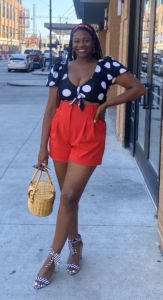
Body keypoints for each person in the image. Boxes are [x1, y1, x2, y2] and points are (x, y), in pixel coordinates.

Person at [34, 23, 145, 289]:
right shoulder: (59, 69)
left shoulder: (108, 67)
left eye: (85, 41)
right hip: (59, 135)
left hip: (89, 135)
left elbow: (138, 88)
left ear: (94, 43)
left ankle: (52, 258)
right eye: (76, 41)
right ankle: (76, 245)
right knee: (67, 200)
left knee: (71, 196)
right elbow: (50, 109)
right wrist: (42, 148)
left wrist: (107, 103)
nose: (81, 45)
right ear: (71, 44)